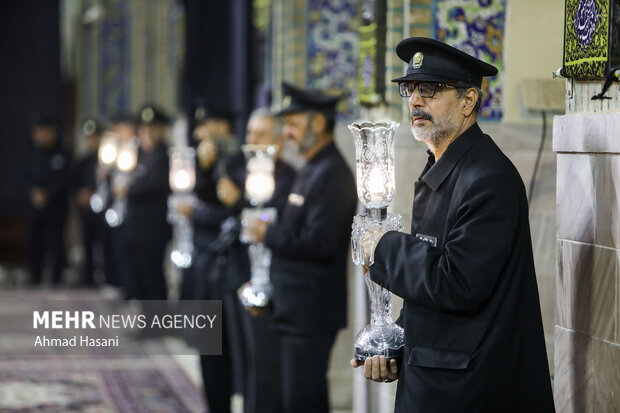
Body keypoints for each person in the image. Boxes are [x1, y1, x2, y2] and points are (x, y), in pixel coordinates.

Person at [351, 37, 555, 413]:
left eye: (429, 89)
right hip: (439, 378)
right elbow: (428, 285)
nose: (414, 100)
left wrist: (382, 246)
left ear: (468, 101)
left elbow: (457, 282)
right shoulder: (445, 169)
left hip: (470, 390)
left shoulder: (487, 178)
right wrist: (397, 340)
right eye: (409, 89)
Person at [247, 83, 357, 413]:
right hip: (293, 307)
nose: (289, 133)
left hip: (310, 312)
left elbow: (320, 243)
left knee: (304, 401)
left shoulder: (332, 173)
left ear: (318, 124)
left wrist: (268, 233)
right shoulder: (311, 167)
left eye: (293, 125)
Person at [178, 103, 245, 413]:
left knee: (227, 353)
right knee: (209, 349)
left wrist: (197, 213)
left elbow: (231, 213)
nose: (198, 134)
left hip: (230, 269)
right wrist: (204, 170)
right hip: (207, 265)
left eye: (204, 127)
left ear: (222, 128)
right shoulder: (211, 160)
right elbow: (206, 196)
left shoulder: (239, 162)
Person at [236, 108, 296, 413]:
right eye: (249, 134)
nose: (252, 140)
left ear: (279, 141)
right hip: (248, 282)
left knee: (271, 376)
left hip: (279, 292)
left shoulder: (289, 179)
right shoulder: (246, 173)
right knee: (253, 371)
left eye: (260, 134)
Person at [122, 105, 171, 300]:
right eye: (143, 128)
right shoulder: (138, 156)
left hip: (153, 229)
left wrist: (129, 188)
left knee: (152, 278)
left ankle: (156, 323)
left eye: (152, 128)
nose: (147, 133)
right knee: (138, 277)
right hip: (135, 227)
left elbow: (148, 186)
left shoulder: (164, 156)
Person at [24, 115, 70, 285]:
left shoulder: (62, 153)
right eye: (38, 131)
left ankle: (56, 278)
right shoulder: (32, 152)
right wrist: (33, 192)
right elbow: (25, 176)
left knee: (56, 243)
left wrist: (48, 193)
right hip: (34, 206)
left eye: (44, 131)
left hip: (55, 207)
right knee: (34, 242)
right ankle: (34, 276)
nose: (40, 135)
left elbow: (65, 178)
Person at [72, 118, 107, 286]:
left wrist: (93, 192)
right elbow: (74, 181)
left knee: (105, 243)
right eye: (89, 137)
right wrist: (81, 193)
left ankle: (106, 275)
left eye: (95, 137)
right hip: (86, 210)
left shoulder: (107, 159)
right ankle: (88, 277)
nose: (92, 141)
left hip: (103, 210)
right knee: (87, 242)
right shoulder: (83, 160)